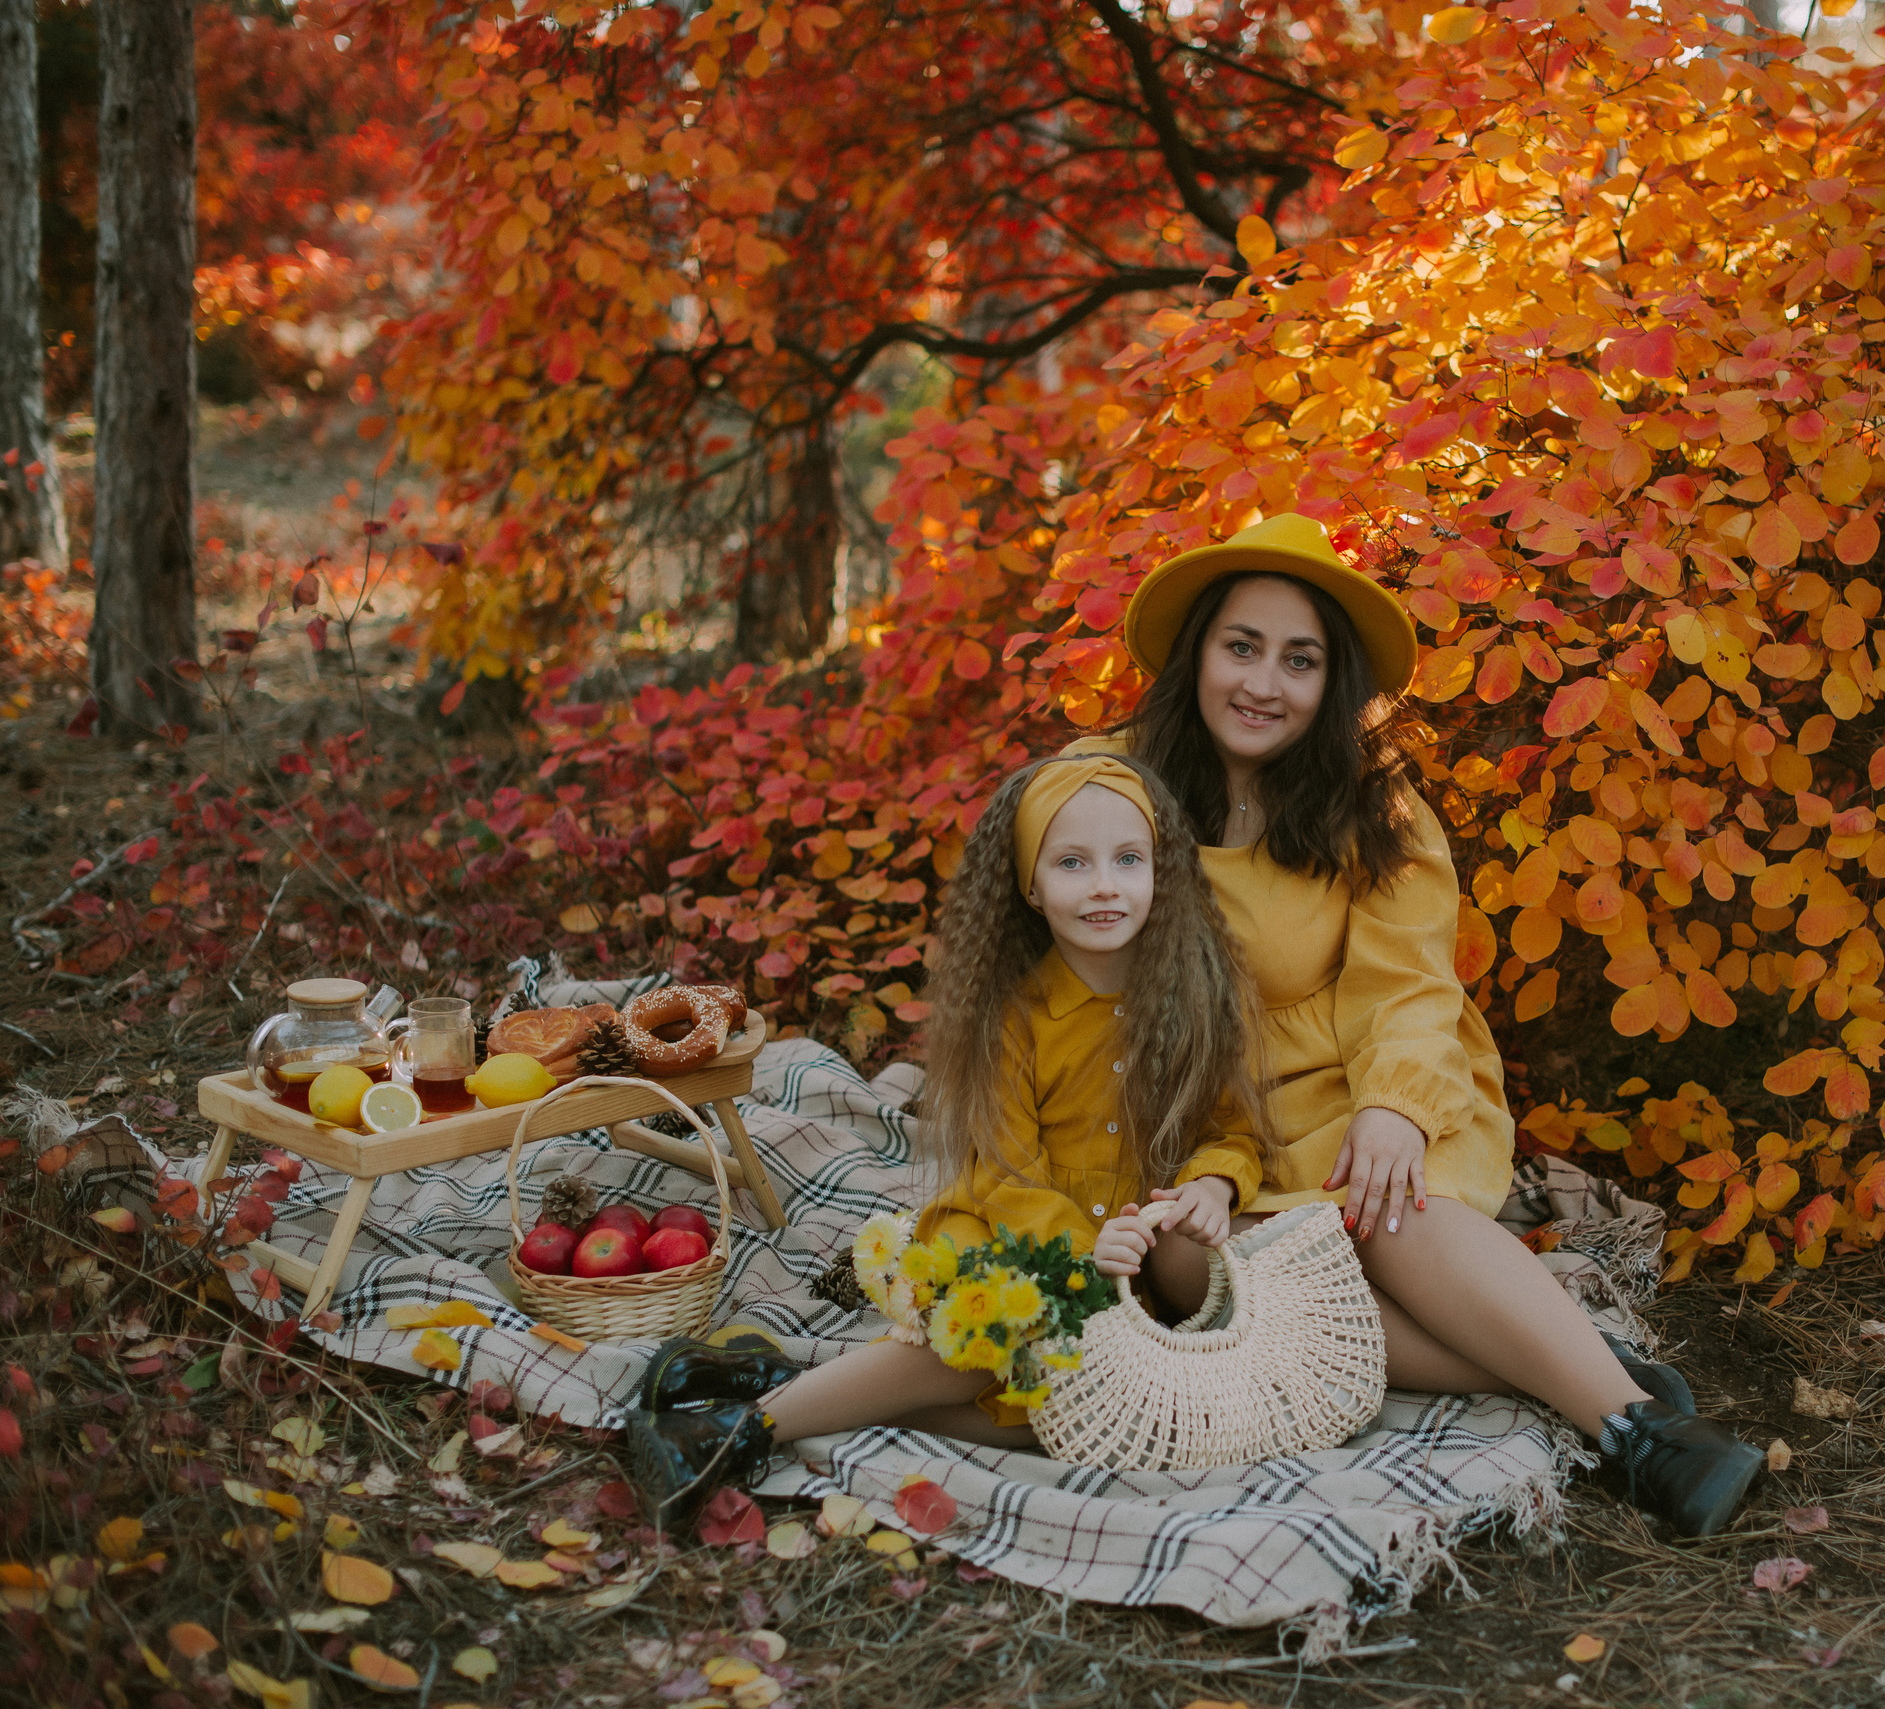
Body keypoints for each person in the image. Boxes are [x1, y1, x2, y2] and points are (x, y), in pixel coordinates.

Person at [1063, 511, 1763, 1536]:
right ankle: (1559, 1358)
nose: (1264, 682)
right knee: (1187, 1265)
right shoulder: (1106, 784)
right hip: (1201, 1123)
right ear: (1196, 652)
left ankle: (1639, 1432)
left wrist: (1392, 1106)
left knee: (1381, 1204)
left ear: (1330, 683)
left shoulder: (1370, 804)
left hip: (1352, 1080)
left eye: (1299, 660)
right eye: (1241, 646)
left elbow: (1408, 984)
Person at [624, 754, 1269, 1525]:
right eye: (1072, 862)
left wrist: (1213, 1183)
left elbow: (1230, 1128)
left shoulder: (1193, 999)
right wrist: (1082, 1253)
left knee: (1064, 1418)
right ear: (1031, 886)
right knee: (1002, 1335)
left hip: (1126, 1271)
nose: (1105, 884)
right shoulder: (1013, 1016)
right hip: (1013, 1237)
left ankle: (774, 1380)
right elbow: (1006, 1170)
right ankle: (735, 1433)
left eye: (1129, 859)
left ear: (1161, 871)